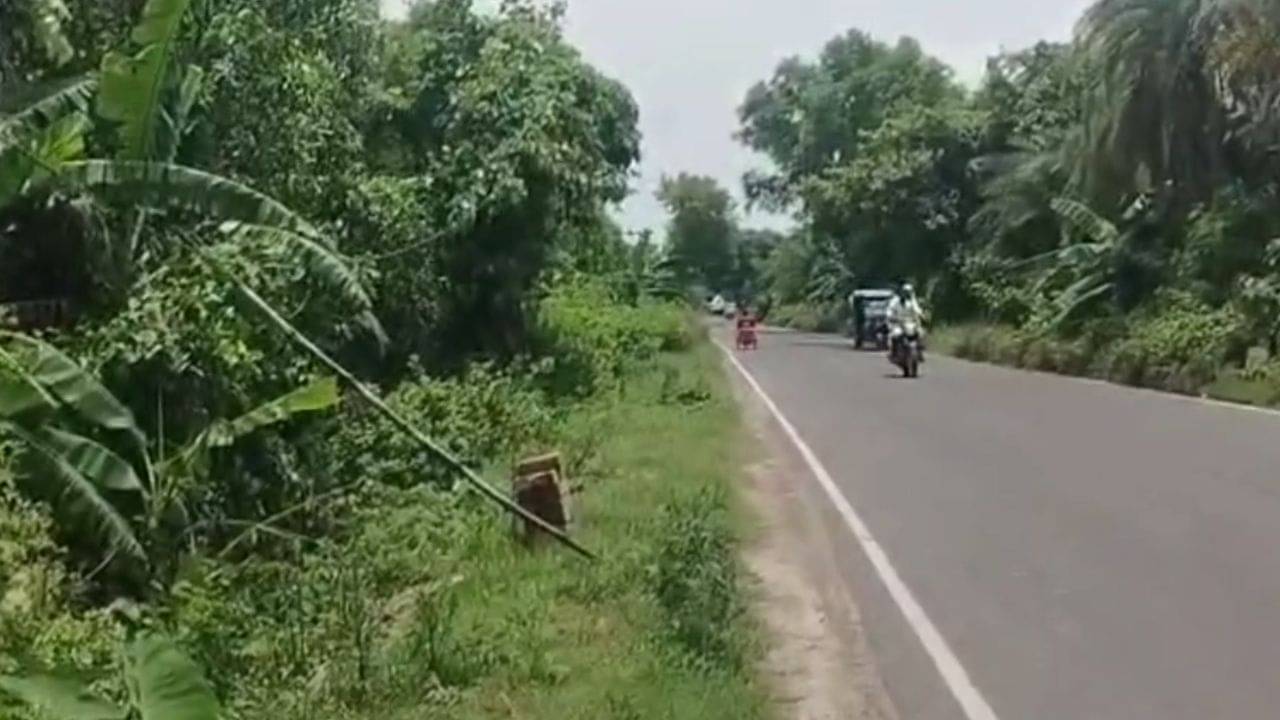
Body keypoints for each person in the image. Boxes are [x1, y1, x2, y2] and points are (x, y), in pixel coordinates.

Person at [886, 283, 925, 360]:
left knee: (921, 333)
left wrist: (922, 315)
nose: (907, 294)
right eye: (906, 292)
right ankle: (893, 353)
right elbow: (890, 310)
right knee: (895, 334)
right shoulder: (895, 301)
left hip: (910, 322)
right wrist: (890, 316)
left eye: (909, 292)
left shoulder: (913, 301)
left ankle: (919, 351)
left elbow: (917, 309)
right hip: (898, 322)